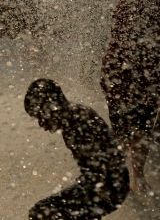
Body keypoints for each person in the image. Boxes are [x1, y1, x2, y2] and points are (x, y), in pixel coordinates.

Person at [25, 79, 130, 220]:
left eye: (40, 116)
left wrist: (91, 192)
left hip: (109, 188)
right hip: (110, 185)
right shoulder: (73, 117)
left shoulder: (77, 122)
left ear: (50, 106)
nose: (41, 124)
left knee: (40, 212)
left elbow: (103, 165)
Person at [101, 0, 160, 193]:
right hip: (140, 75)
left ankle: (119, 173)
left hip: (117, 72)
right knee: (141, 127)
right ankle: (136, 176)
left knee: (123, 125)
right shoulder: (154, 1)